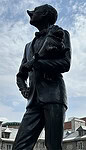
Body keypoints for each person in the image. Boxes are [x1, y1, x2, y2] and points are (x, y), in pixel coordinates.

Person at [12, 4, 71, 150]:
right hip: (33, 101)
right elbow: (21, 74)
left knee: (53, 146)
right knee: (19, 146)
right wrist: (23, 89)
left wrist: (37, 63)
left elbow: (65, 64)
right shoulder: (27, 46)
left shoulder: (61, 33)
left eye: (35, 11)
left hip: (54, 96)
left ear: (45, 14)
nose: (30, 13)